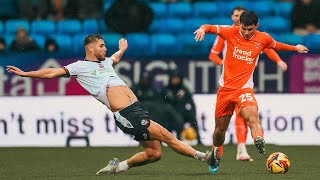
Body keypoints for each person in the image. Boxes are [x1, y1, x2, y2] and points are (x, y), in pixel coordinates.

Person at [6, 34, 210, 175]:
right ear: (90, 47)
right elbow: (51, 72)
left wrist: (122, 50)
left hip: (137, 110)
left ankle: (118, 166)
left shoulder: (106, 63)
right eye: (102, 45)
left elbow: (114, 57)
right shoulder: (79, 67)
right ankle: (204, 157)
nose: (105, 48)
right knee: (167, 135)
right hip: (127, 114)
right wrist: (26, 73)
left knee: (154, 154)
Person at [194, 10, 308, 174]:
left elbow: (276, 45)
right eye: (244, 29)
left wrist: (295, 48)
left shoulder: (263, 38)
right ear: (239, 25)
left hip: (244, 89)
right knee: (219, 131)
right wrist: (202, 29)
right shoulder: (230, 31)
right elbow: (210, 27)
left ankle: (258, 139)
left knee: (252, 117)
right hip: (225, 90)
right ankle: (216, 153)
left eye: (250, 29)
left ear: (257, 26)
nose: (247, 33)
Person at [209, 6, 288, 162]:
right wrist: (225, 64)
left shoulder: (257, 37)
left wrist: (279, 60)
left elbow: (267, 46)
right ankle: (218, 151)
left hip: (244, 85)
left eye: (240, 15)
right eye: (236, 16)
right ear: (234, 18)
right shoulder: (226, 33)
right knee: (220, 129)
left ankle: (243, 148)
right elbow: (212, 55)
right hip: (227, 83)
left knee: (247, 115)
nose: (238, 20)